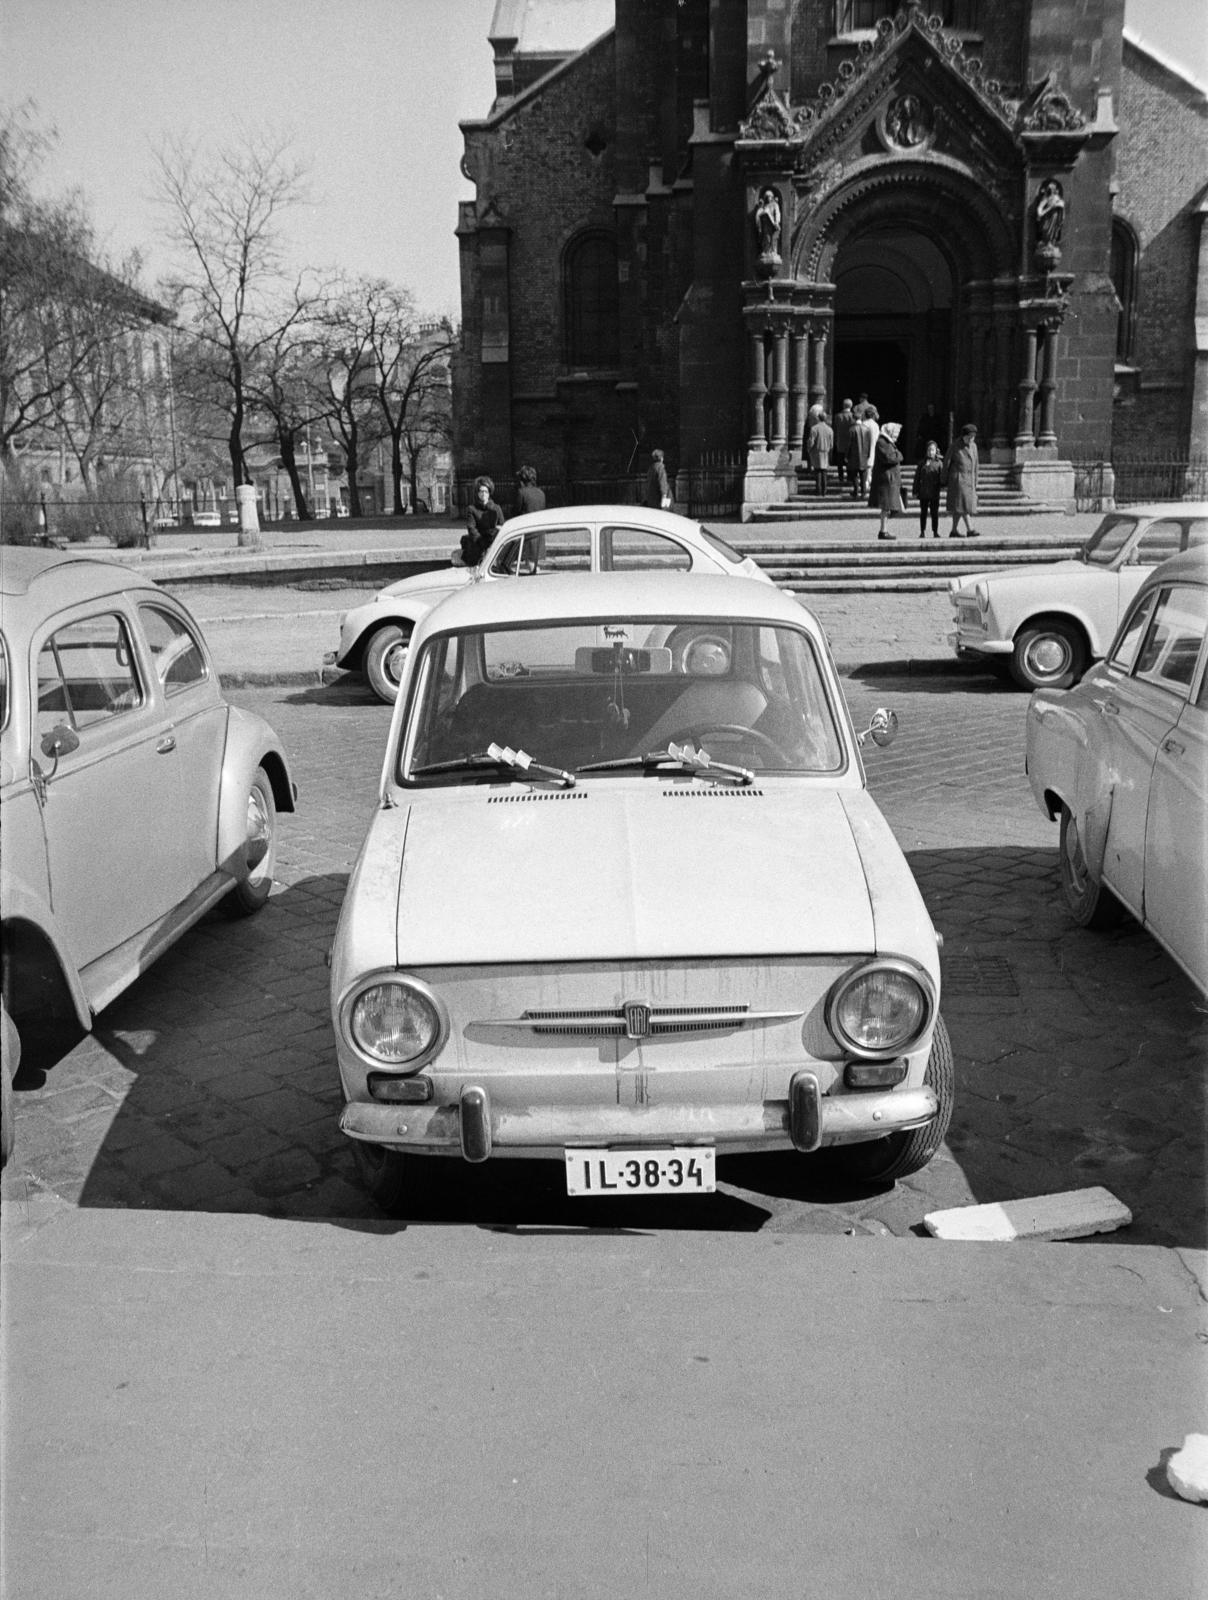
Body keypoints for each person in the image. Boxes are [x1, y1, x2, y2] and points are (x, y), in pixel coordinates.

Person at [869, 420, 905, 540]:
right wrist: (899, 455)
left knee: (891, 506)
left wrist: (897, 455)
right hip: (886, 480)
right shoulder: (882, 442)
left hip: (890, 479)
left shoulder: (887, 442)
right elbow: (890, 458)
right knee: (886, 506)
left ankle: (884, 529)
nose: (897, 436)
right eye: (896, 434)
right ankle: (883, 530)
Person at [944, 424, 980, 538]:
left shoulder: (974, 446)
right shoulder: (955, 446)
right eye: (969, 437)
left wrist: (976, 480)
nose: (971, 439)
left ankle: (954, 530)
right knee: (964, 505)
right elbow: (946, 462)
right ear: (963, 436)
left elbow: (976, 464)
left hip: (969, 480)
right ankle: (970, 529)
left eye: (973, 437)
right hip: (958, 480)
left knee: (958, 507)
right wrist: (944, 480)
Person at [460, 475, 504, 565]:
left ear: (489, 493)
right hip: (478, 544)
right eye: (481, 491)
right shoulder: (472, 509)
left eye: (486, 491)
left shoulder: (496, 508)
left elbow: (502, 525)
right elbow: (471, 528)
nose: (483, 494)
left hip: (493, 544)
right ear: (477, 493)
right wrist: (481, 542)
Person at [911, 440, 944, 538]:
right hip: (923, 492)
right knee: (923, 513)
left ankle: (935, 531)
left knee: (935, 513)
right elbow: (917, 478)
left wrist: (943, 485)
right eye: (929, 450)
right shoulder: (922, 463)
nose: (931, 452)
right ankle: (922, 531)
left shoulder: (939, 463)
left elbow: (942, 476)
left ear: (936, 451)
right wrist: (915, 490)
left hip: (934, 492)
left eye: (932, 450)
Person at [849, 406, 878, 500]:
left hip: (856, 454)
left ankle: (858, 489)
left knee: (856, 473)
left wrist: (847, 455)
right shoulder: (875, 425)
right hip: (868, 452)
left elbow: (849, 443)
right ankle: (864, 491)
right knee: (865, 473)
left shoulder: (857, 427)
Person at [806, 410, 834, 497]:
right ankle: (824, 490)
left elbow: (811, 441)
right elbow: (832, 444)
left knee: (818, 471)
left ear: (818, 418)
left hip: (817, 451)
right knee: (824, 471)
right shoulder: (830, 429)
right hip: (825, 451)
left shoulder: (814, 428)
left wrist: (809, 449)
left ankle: (818, 490)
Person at [833, 398, 855, 486]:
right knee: (849, 461)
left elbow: (835, 429)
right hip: (850, 443)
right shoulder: (853, 416)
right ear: (851, 406)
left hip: (840, 442)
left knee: (840, 461)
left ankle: (841, 477)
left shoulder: (838, 416)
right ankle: (849, 477)